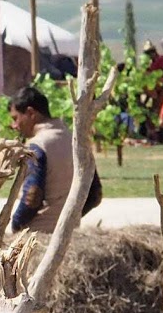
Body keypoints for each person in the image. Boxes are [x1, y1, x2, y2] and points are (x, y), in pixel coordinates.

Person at [8, 85, 101, 234]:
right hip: (69, 236)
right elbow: (95, 195)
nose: (14, 125)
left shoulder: (37, 145)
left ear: (31, 113)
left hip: (37, 236)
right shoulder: (77, 141)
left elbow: (32, 197)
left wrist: (16, 225)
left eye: (15, 118)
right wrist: (70, 217)